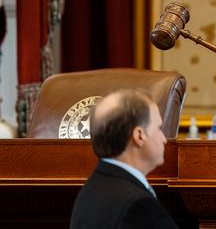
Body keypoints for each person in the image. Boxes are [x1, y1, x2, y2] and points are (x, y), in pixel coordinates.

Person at [70, 89, 177, 229]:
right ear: (139, 136)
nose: (164, 139)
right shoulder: (138, 205)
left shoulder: (90, 190)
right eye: (158, 128)